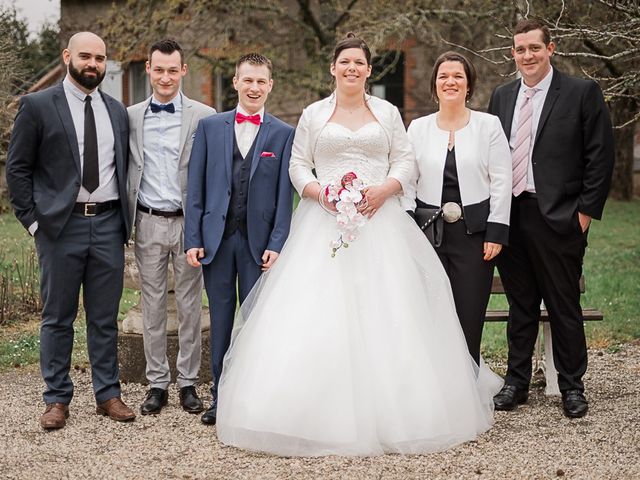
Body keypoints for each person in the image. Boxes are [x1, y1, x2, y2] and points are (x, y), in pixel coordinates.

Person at [215, 34, 503, 457]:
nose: (352, 68)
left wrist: (384, 190)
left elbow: (405, 161)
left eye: (360, 63)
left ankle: (401, 412)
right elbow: (298, 164)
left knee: (390, 308)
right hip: (323, 222)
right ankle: (304, 412)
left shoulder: (387, 112)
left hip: (378, 221)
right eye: (345, 61)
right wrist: (321, 193)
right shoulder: (314, 114)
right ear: (333, 68)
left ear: (369, 70)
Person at [6, 32, 135, 429]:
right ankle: (57, 399)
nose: (93, 64)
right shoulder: (38, 106)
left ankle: (107, 393)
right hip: (60, 228)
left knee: (103, 317)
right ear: (67, 57)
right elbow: (18, 168)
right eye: (85, 56)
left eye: (99, 57)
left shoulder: (117, 110)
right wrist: (32, 222)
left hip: (109, 224)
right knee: (58, 317)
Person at [488, 19, 615, 418]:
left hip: (559, 215)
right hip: (511, 214)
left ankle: (572, 386)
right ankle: (516, 382)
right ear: (513, 53)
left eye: (534, 48)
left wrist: (584, 214)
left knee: (563, 304)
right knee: (521, 303)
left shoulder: (581, 92)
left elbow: (600, 156)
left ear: (550, 49)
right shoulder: (502, 96)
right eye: (520, 49)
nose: (527, 56)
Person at [184, 53, 295, 426]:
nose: (254, 87)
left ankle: (255, 398)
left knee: (256, 321)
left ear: (270, 86)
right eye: (247, 80)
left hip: (257, 245)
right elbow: (195, 189)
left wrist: (278, 242)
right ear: (235, 83)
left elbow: (284, 196)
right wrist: (193, 238)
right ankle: (220, 396)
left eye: (261, 81)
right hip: (216, 242)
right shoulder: (211, 127)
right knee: (220, 320)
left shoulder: (283, 134)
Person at [127, 39, 215, 415]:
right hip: (146, 220)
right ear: (148, 69)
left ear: (183, 71)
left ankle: (189, 383)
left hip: (188, 222)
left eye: (172, 70)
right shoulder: (129, 116)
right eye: (158, 69)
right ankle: (157, 382)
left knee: (191, 304)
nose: (165, 77)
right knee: (151, 304)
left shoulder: (205, 115)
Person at [407, 51, 511, 365]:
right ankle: (433, 386)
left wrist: (497, 230)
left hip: (476, 236)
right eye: (443, 76)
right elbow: (407, 181)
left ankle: (469, 384)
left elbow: (502, 180)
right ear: (434, 86)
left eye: (458, 77)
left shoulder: (488, 126)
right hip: (428, 235)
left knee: (468, 314)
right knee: (431, 314)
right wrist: (408, 228)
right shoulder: (418, 128)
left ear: (468, 86)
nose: (450, 82)